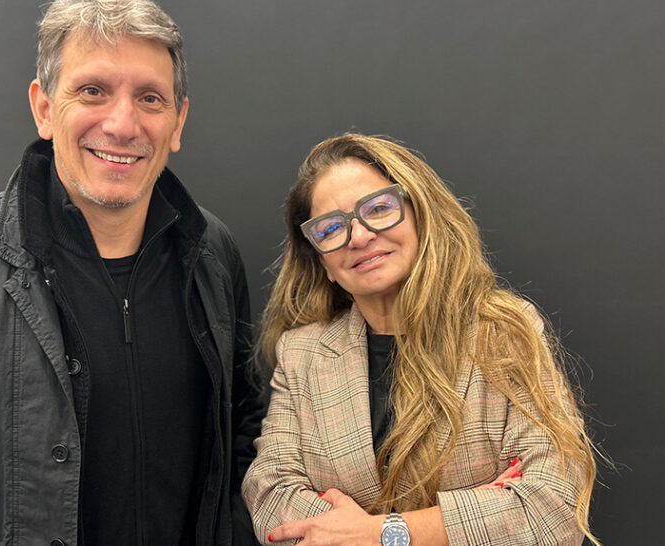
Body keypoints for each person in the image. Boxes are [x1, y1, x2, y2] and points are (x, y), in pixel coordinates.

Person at [0, 0, 263, 545]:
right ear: (44, 108)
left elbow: (244, 436)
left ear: (178, 122)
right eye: (92, 91)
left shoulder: (212, 254)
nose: (122, 124)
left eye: (150, 98)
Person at [242, 134, 601, 545]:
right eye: (331, 228)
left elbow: (554, 508)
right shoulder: (301, 353)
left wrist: (381, 533)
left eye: (378, 209)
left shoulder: (505, 332)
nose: (358, 237)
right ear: (323, 262)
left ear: (420, 215)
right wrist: (470, 518)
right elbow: (269, 495)